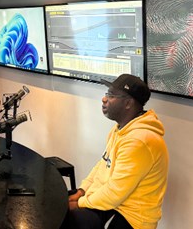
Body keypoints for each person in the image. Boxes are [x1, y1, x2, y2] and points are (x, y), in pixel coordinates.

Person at [62, 74, 169, 229]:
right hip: (116, 202)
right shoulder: (120, 129)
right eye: (107, 94)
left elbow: (114, 193)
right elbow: (103, 165)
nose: (104, 99)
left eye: (111, 96)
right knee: (60, 205)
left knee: (70, 217)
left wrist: (79, 203)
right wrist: (82, 190)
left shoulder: (139, 140)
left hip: (133, 217)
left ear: (128, 103)